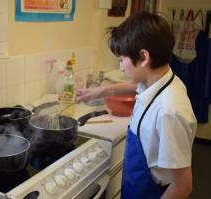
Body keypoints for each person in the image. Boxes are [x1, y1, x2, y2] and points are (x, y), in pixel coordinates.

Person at [77, 11, 197, 199]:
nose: (120, 67)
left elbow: (182, 187)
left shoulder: (169, 112)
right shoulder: (159, 80)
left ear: (144, 57)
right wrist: (100, 91)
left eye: (122, 59)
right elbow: (135, 86)